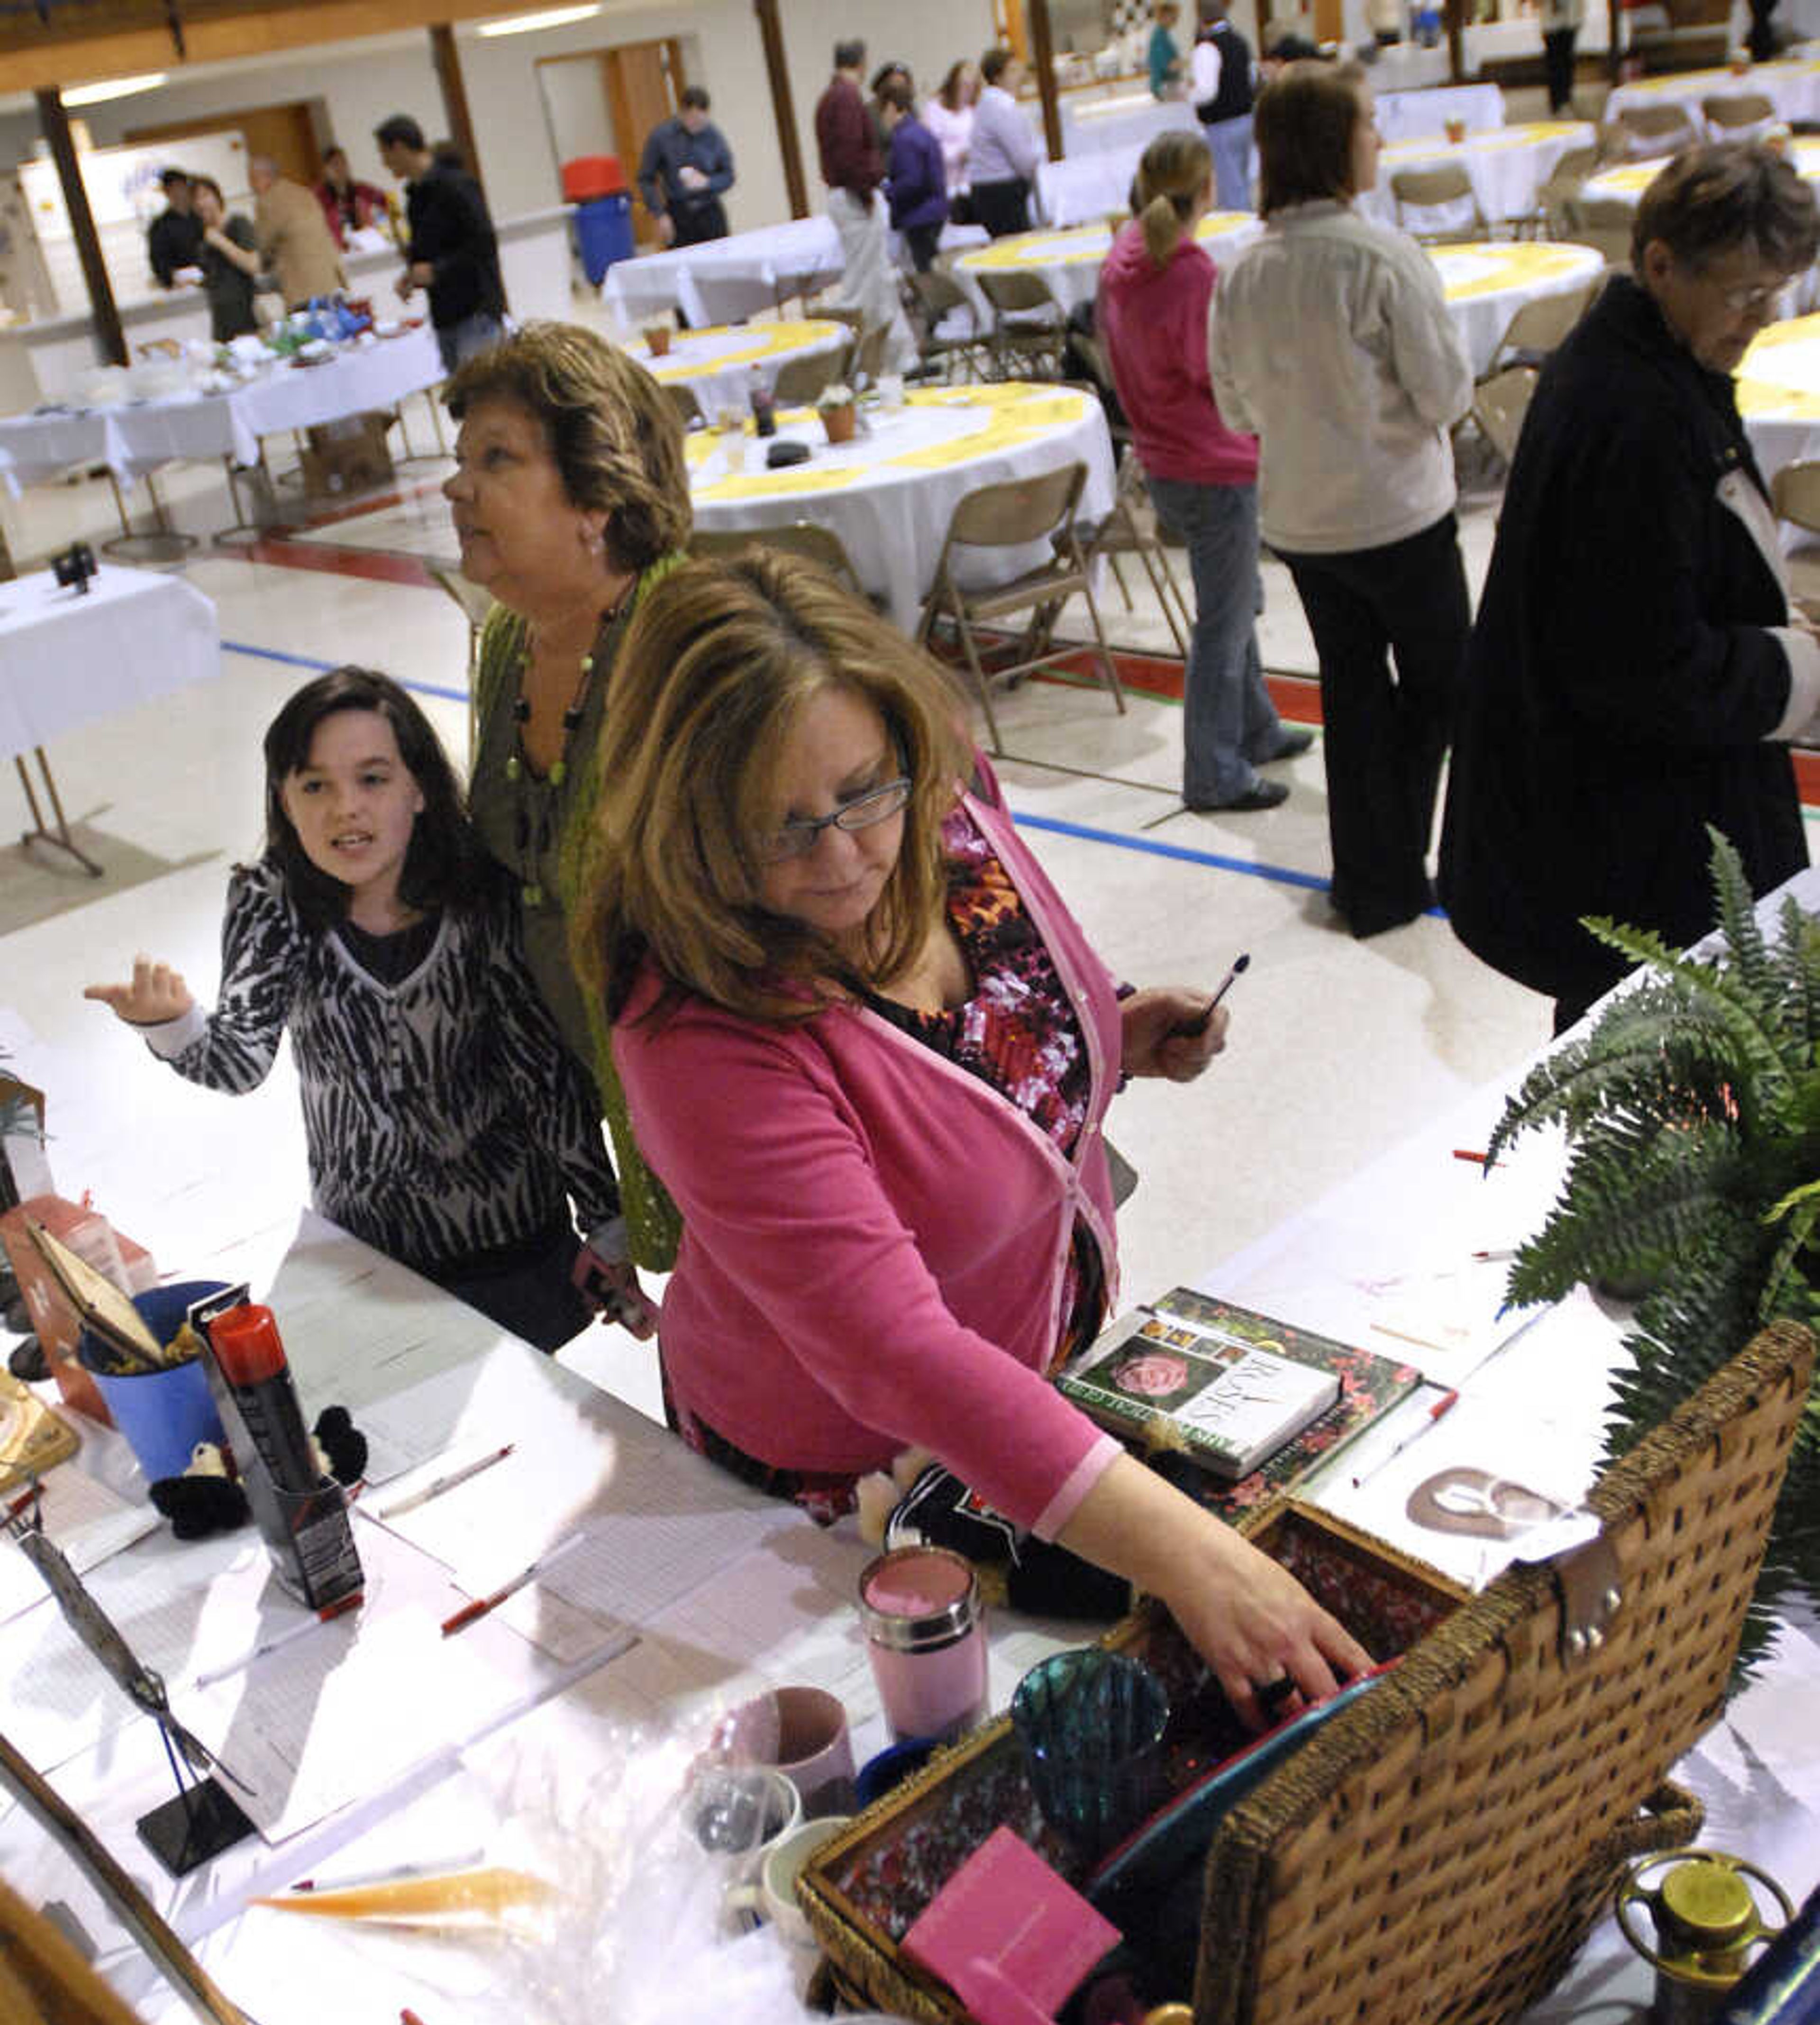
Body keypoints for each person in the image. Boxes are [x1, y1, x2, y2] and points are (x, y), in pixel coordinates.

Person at [573, 553, 1371, 1724]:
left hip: (1041, 1378)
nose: (845, 855)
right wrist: (1196, 1558)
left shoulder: (942, 806)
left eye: (863, 792)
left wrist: (1105, 1039)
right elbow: (898, 1354)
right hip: (849, 1473)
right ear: (693, 836)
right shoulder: (694, 1026)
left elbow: (979, 1035)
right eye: (781, 830)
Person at [83, 668, 631, 1353]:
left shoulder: (479, 894)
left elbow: (545, 1075)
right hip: (367, 1245)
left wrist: (607, 1221)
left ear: (420, 788)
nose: (346, 807)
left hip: (510, 1240)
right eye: (315, 786)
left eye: (373, 779)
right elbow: (240, 1063)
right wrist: (172, 1025)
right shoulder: (270, 899)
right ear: (282, 800)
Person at [1439, 145, 1820, 1033]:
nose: (1764, 317)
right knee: (1646, 1066)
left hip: (1626, 817)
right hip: (1627, 838)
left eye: (1779, 292)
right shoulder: (1634, 418)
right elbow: (1643, 672)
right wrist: (1798, 670)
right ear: (1660, 265)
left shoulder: (1647, 359)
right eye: (1743, 294)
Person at [442, 323, 692, 1275]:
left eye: (497, 459)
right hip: (617, 1105)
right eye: (460, 461)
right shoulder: (510, 643)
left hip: (749, 1106)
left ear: (599, 496)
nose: (455, 487)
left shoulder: (688, 643)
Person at [1209, 63, 1474, 936]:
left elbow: (1235, 406)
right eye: (1369, 122)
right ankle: (1394, 866)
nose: (1380, 139)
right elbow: (1446, 397)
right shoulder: (1383, 258)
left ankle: (1370, 877)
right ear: (1334, 144)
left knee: (1354, 694)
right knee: (1441, 688)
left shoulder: (1242, 274)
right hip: (1399, 514)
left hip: (1305, 525)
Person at [1100, 131, 1312, 815]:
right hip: (1214, 464)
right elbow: (1218, 374)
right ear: (1209, 190)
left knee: (1235, 600)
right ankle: (1214, 772)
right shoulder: (1189, 272)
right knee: (1223, 621)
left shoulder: (1123, 257)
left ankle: (1255, 726)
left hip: (1164, 459)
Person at [374, 113, 505, 374]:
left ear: (399, 147)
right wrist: (411, 275)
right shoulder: (415, 198)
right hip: (445, 314)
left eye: (385, 154)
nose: (384, 163)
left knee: (484, 395)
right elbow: (429, 251)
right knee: (461, 404)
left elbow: (484, 242)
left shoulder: (456, 185)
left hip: (475, 310)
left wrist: (438, 270)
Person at [815, 39, 917, 370]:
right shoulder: (845, 98)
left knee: (878, 283)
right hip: (855, 196)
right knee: (863, 288)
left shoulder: (830, 98)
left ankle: (897, 360)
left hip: (850, 194)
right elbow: (850, 156)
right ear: (861, 63)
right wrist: (868, 189)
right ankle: (851, 361)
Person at [637, 85, 735, 249]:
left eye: (701, 121)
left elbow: (729, 176)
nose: (695, 125)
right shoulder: (661, 137)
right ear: (682, 112)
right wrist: (660, 214)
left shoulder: (713, 135)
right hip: (679, 214)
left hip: (709, 210)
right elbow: (645, 179)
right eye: (691, 119)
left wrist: (708, 183)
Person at [248, 155, 344, 310]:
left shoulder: (267, 202)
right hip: (331, 279)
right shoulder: (305, 193)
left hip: (302, 286)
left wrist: (258, 263)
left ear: (264, 177)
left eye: (252, 180)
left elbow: (263, 244)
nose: (252, 187)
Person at [878, 73, 948, 274]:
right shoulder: (921, 132)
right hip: (934, 210)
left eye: (882, 112)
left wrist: (888, 190)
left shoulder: (904, 139)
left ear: (891, 108)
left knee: (926, 274)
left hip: (919, 216)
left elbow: (912, 181)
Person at [969, 46, 1041, 237]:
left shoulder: (986, 104)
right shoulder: (1002, 107)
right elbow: (1022, 159)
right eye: (1013, 71)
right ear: (998, 77)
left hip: (988, 189)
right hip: (1002, 191)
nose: (1020, 76)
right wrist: (1036, 159)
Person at [1192, 10, 1256, 210]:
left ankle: (1240, 232)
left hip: (1221, 124)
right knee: (1243, 181)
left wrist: (1187, 95)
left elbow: (1207, 91)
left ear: (1201, 20)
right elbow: (1252, 78)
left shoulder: (1207, 47)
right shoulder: (1241, 41)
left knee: (1230, 188)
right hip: (1246, 118)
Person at [189, 175, 261, 342]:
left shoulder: (238, 224)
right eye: (195, 200)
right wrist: (192, 279)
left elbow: (254, 265)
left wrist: (220, 242)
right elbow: (213, 280)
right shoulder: (203, 239)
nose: (201, 204)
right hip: (221, 325)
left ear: (217, 197)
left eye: (205, 196)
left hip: (249, 317)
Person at [923, 62, 979, 215]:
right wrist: (958, 154)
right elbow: (931, 148)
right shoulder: (934, 109)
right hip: (945, 184)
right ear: (953, 84)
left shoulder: (972, 111)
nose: (968, 91)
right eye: (964, 85)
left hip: (969, 183)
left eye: (972, 86)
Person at [316, 145, 389, 248]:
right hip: (336, 248)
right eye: (334, 165)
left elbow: (388, 205)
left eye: (343, 163)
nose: (340, 168)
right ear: (325, 169)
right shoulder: (318, 197)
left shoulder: (363, 190)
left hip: (367, 245)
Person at [1149, 2, 1185, 98]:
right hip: (1164, 87)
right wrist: (1190, 63)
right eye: (1174, 17)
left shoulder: (1163, 34)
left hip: (1166, 86)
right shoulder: (1159, 37)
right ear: (1164, 16)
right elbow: (1168, 66)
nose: (1176, 19)